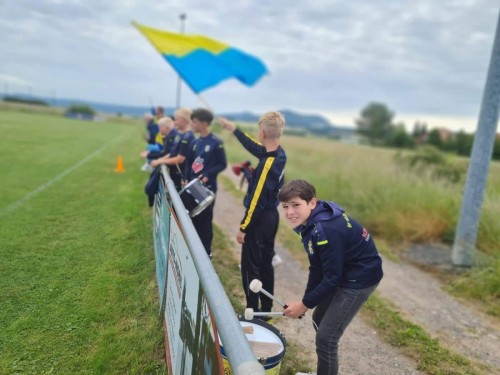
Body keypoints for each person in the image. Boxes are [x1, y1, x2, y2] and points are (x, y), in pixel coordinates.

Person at [278, 179, 383, 375]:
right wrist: (306, 301)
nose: (290, 212)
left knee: (326, 339)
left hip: (359, 279)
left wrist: (303, 304)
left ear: (312, 203)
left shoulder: (325, 229)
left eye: (296, 205)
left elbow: (331, 278)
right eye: (285, 206)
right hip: (343, 271)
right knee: (319, 318)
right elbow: (317, 268)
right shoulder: (311, 222)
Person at [218, 112, 286, 315]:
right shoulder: (279, 153)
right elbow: (256, 148)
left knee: (250, 266)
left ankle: (252, 311)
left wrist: (243, 228)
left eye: (259, 131)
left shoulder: (266, 165)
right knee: (266, 262)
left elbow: (255, 201)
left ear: (262, 132)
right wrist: (234, 129)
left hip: (259, 219)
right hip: (271, 217)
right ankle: (266, 310)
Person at [184, 108, 227, 257]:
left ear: (203, 123)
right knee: (191, 218)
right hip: (192, 186)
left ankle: (206, 253)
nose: (192, 124)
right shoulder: (195, 142)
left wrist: (209, 174)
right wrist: (185, 178)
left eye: (194, 122)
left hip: (207, 188)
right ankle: (193, 251)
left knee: (205, 221)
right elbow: (188, 163)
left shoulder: (216, 143)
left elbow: (222, 164)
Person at [151, 108, 194, 191]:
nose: (174, 122)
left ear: (184, 120)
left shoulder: (188, 137)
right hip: (174, 173)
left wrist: (159, 161)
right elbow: (172, 153)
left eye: (176, 119)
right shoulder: (180, 135)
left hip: (180, 176)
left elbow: (180, 159)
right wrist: (160, 159)